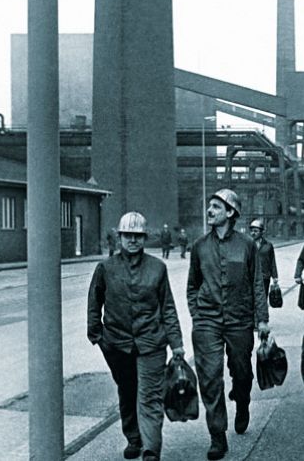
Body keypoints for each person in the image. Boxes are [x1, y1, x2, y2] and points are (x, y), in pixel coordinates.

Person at [87, 211, 185, 461]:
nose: (133, 240)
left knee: (150, 395)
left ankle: (151, 448)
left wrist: (177, 344)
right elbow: (94, 302)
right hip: (116, 344)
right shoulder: (106, 268)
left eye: (138, 236)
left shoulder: (157, 268)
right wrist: (97, 336)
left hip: (151, 342)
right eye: (128, 236)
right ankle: (134, 437)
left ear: (144, 238)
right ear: (120, 238)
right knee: (127, 390)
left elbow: (168, 308)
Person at [187, 189, 270, 460]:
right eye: (209, 206)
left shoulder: (247, 245)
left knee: (242, 371)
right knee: (210, 378)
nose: (209, 211)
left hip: (239, 320)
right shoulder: (199, 246)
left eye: (216, 207)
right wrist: (196, 314)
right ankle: (217, 435)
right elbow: (192, 285)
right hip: (207, 321)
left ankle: (243, 401)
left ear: (231, 213)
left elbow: (257, 282)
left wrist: (263, 319)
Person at [249, 218, 279, 298]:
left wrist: (275, 276)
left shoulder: (268, 245)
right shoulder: (247, 245)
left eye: (256, 231)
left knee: (263, 298)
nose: (253, 233)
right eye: (251, 231)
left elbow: (272, 261)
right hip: (250, 277)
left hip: (264, 277)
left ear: (262, 232)